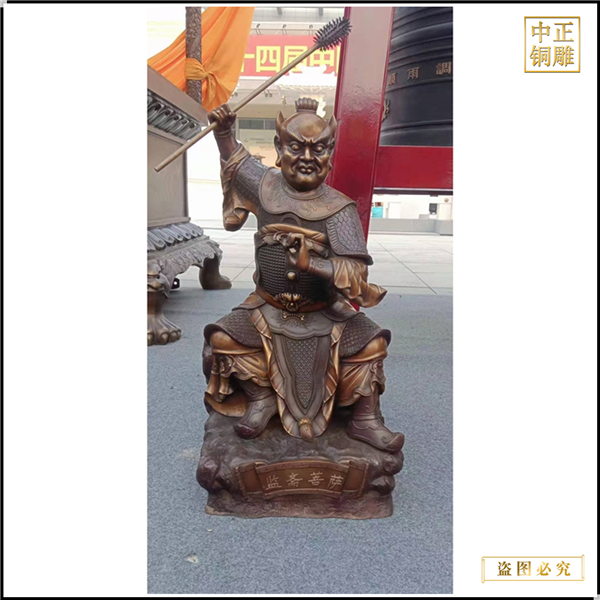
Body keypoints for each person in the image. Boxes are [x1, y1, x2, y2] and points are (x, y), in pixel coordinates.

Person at [202, 98, 404, 453]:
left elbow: (357, 274)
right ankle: (261, 396)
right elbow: (237, 162)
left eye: (319, 148)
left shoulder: (339, 209)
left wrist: (314, 265)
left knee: (373, 344)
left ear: (330, 153)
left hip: (325, 312)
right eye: (296, 147)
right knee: (221, 339)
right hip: (267, 307)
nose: (307, 157)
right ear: (279, 148)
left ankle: (365, 417)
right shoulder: (265, 187)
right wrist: (224, 133)